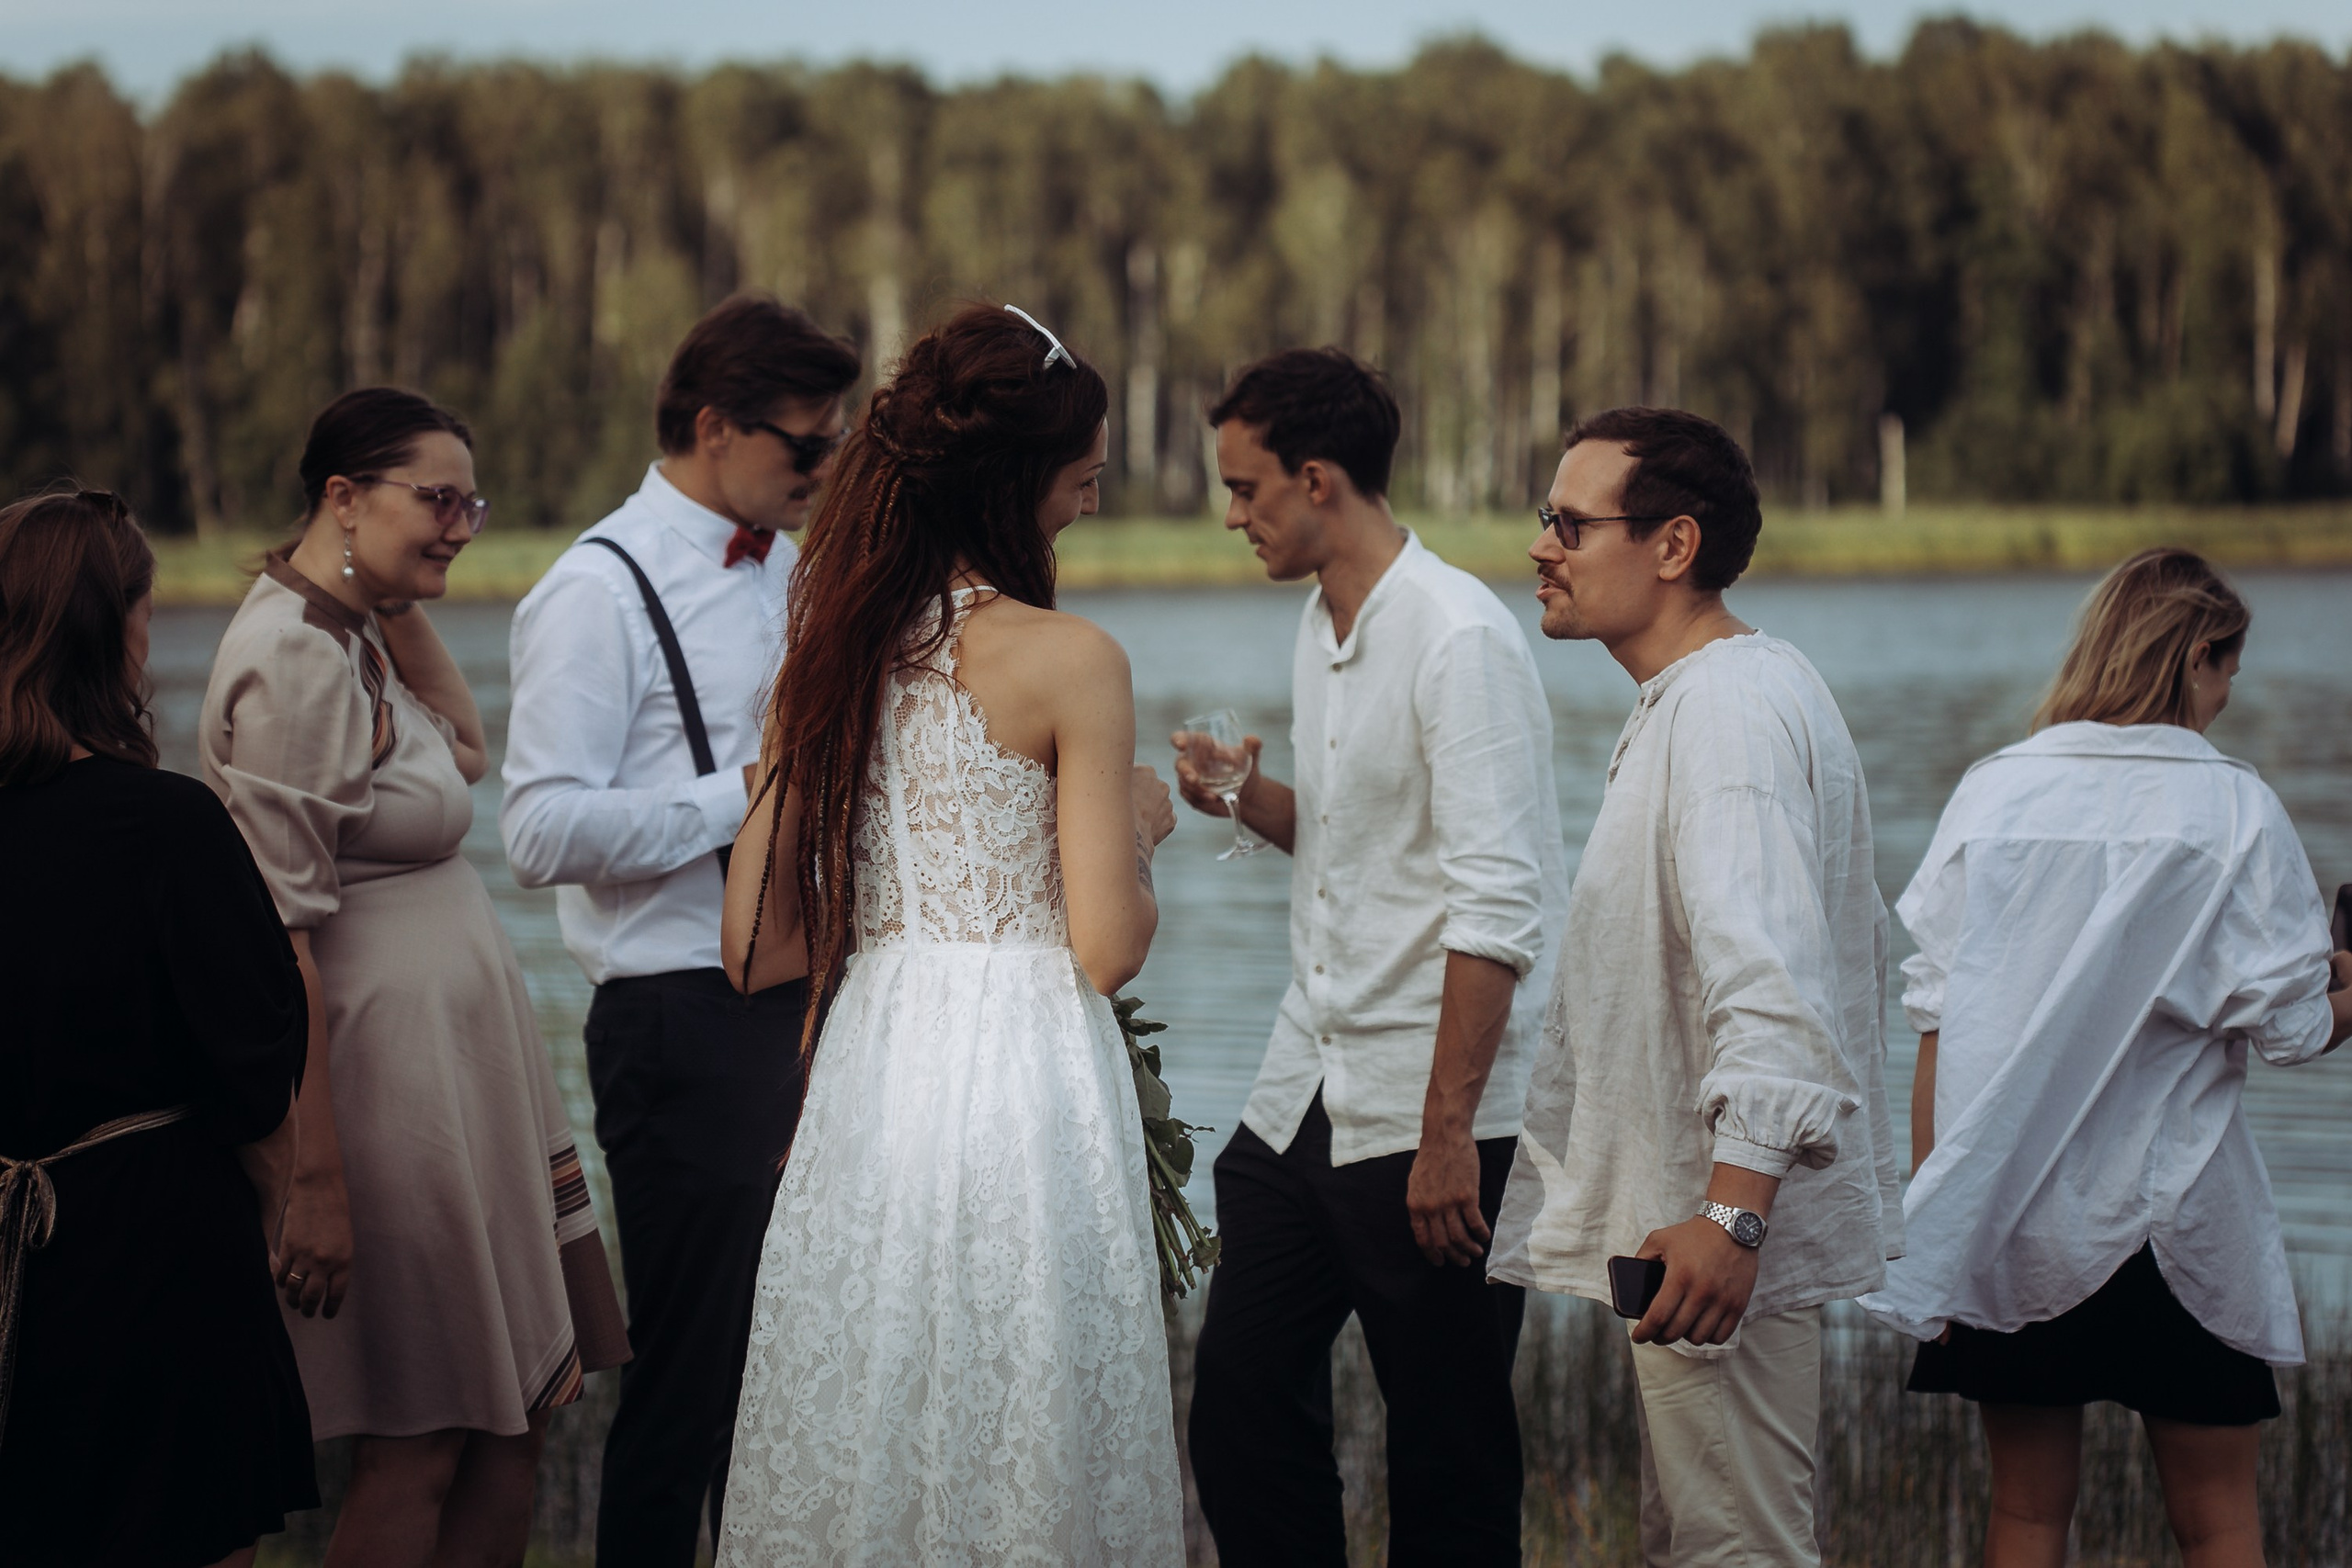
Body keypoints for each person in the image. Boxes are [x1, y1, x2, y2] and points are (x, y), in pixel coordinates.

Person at [714, 303, 1184, 1564]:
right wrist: (1140, 825)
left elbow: (753, 951)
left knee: (881, 1404)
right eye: (1083, 478)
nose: (1089, 501)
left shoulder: (834, 652)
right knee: (1021, 1406)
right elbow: (1104, 946)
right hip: (1024, 1070)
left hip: (878, 1064)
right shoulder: (1069, 658)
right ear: (1023, 475)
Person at [199, 389, 628, 1568]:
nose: (461, 527)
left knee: (512, 1427)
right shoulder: (292, 660)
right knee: (424, 1442)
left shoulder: (344, 632)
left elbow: (467, 750)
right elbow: (277, 937)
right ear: (342, 496)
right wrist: (317, 1179)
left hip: (454, 1079)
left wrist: (384, 590)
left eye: (469, 503)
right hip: (385, 1095)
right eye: (437, 501)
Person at [1860, 548, 2352, 1568]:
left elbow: (1936, 1025)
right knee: (2216, 1522)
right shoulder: (2234, 808)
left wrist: (1934, 1226)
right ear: (2196, 660)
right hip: (2180, 1223)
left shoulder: (1993, 793)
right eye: (2226, 674)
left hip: (2010, 1220)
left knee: (2028, 1518)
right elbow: (2295, 1028)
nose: (2224, 700)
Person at [1487, 407, 1901, 1567]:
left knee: (1739, 1550)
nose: (1541, 548)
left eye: (1571, 524)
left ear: (1674, 545)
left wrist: (1731, 1219)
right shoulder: (1717, 694)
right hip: (1696, 1238)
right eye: (1545, 519)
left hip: (1713, 1245)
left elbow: (1772, 985)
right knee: (1699, 1541)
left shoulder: (1724, 712)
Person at [1177, 348, 1567, 1566]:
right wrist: (1247, 796)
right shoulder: (1318, 621)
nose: (1234, 516)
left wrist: (1451, 1132)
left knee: (1448, 1454)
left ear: (1318, 478)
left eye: (1247, 490)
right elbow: (1356, 839)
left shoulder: (1460, 638)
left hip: (1431, 1116)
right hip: (1308, 1086)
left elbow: (1499, 905)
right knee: (1238, 1403)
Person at [499, 292, 860, 1564]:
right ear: (715, 426)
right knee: (692, 1380)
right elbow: (538, 829)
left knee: (802, 1374)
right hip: (677, 1017)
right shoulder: (593, 591)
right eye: (804, 446)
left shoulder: (799, 564)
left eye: (836, 443)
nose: (823, 467)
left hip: (808, 1001)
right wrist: (751, 789)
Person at [0, 489, 313, 1568]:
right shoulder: (169, 825)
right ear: (116, 628)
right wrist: (276, 1215)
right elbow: (254, 1075)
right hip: (154, 1263)